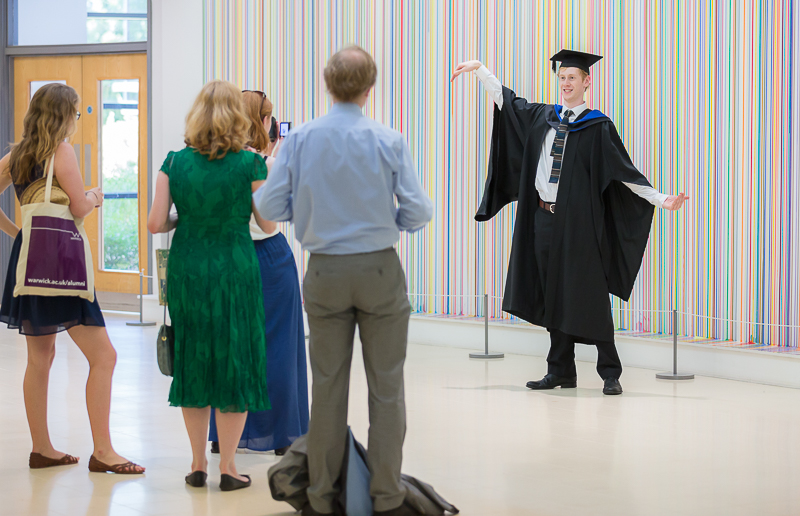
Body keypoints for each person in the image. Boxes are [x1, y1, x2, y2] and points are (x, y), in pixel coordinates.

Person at [254, 46, 433, 516]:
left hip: (325, 271)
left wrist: (306, 214)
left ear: (327, 84)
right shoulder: (389, 140)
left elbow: (268, 206)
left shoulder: (299, 140)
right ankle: (387, 498)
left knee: (328, 388)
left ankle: (319, 498)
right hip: (379, 270)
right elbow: (419, 211)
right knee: (387, 389)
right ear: (370, 88)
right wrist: (388, 222)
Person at [450, 50, 688, 395]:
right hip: (542, 220)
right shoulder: (543, 117)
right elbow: (507, 101)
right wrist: (480, 70)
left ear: (586, 82)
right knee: (552, 295)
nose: (565, 83)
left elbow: (623, 172)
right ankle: (560, 371)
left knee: (590, 294)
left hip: (578, 225)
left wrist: (661, 199)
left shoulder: (597, 126)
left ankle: (610, 372)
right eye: (562, 78)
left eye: (572, 78)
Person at [0, 83, 144, 474]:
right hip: (61, 265)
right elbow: (79, 206)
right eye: (76, 113)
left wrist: (18, 233)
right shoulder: (61, 150)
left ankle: (42, 449)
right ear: (64, 115)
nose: (77, 120)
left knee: (39, 359)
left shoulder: (16, 156)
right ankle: (104, 451)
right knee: (104, 357)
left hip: (29, 262)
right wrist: (95, 197)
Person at [147, 80, 271, 491]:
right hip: (235, 267)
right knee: (236, 357)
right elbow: (269, 224)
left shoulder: (174, 163)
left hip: (189, 268)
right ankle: (229, 467)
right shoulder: (250, 164)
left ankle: (198, 463)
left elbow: (155, 223)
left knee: (194, 358)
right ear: (238, 117)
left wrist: (187, 218)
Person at [209, 89, 309, 456]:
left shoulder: (210, 160)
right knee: (278, 346)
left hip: (225, 258)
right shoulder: (260, 164)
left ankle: (223, 435)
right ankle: (282, 434)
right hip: (267, 257)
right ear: (261, 121)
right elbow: (270, 222)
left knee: (230, 346)